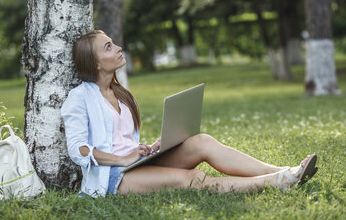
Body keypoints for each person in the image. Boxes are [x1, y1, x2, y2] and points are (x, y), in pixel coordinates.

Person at [61, 30, 318, 198]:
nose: (117, 47)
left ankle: (284, 169)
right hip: (113, 178)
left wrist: (148, 148)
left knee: (201, 141)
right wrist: (123, 159)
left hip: (138, 164)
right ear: (95, 63)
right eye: (108, 47)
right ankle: (278, 181)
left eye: (113, 42)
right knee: (192, 178)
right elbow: (78, 150)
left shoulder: (120, 93)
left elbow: (121, 140)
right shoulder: (79, 98)